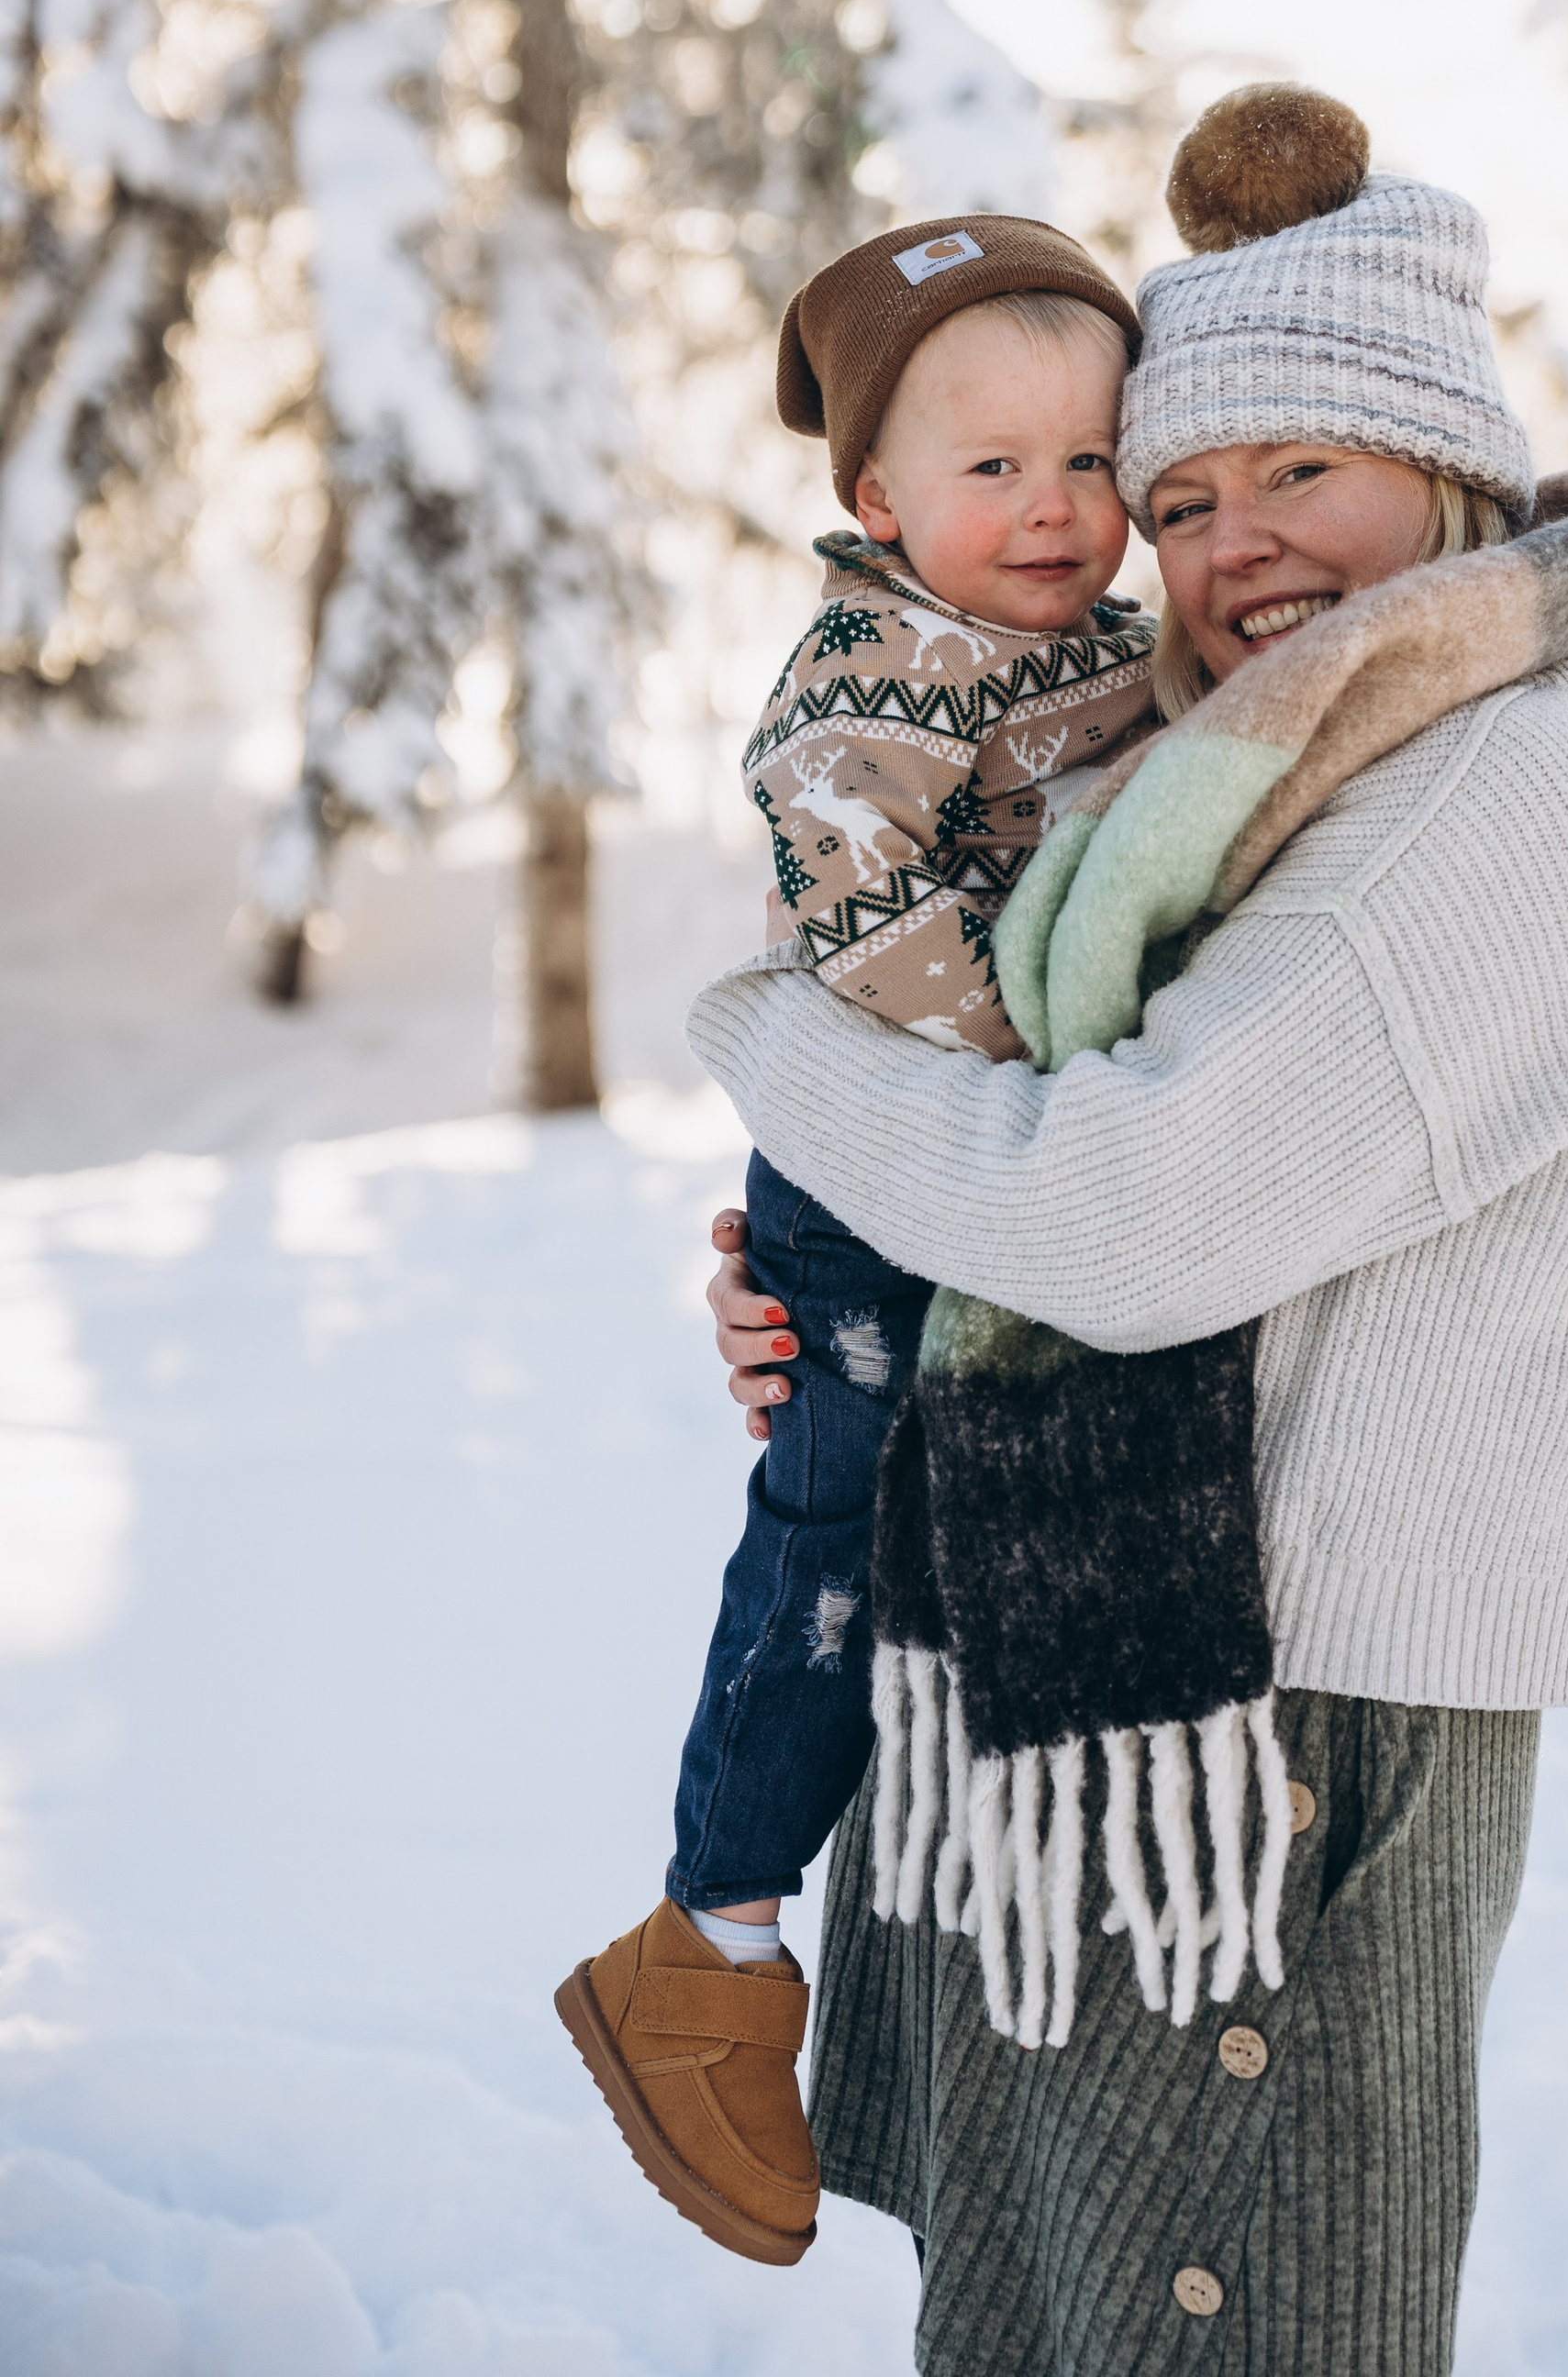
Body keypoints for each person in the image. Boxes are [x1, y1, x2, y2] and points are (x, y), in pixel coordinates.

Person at [684, 86, 1568, 2375]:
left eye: (1296, 473)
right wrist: (849, 1289)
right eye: (1178, 497)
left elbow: (1121, 1214)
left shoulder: (1488, 791)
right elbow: (1065, 1142)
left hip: (1280, 1732)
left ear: (1438, 461)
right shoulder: (1293, 757)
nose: (1229, 544)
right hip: (1177, 1692)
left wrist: (778, 1047)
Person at [555, 213, 1156, 2267]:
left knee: (928, 1553)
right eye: (993, 470)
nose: (1057, 509)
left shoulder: (1117, 643)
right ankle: (706, 1940)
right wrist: (1044, 1081)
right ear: (877, 496)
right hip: (889, 1158)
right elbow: (881, 946)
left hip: (985, 1173)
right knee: (828, 1533)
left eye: (1089, 460)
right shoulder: (860, 692)